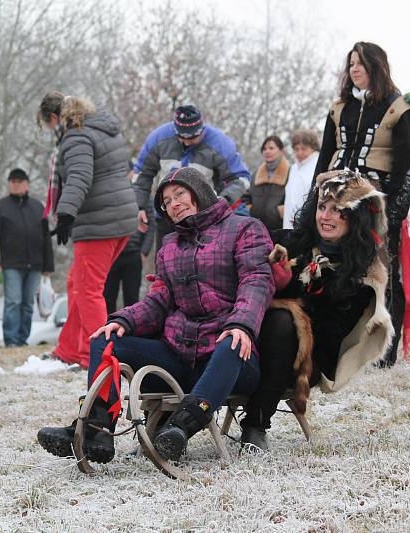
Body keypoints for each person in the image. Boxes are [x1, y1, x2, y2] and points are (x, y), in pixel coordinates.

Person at [37, 167, 274, 463]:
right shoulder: (169, 246)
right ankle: (97, 430)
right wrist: (123, 320)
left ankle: (179, 429)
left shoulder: (244, 228)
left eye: (179, 195)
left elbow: (256, 280)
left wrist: (241, 324)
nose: (173, 204)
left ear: (199, 192)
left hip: (230, 361)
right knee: (106, 337)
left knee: (231, 342)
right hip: (179, 358)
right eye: (166, 201)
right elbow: (159, 301)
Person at [240, 169, 393, 451]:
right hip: (252, 341)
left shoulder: (362, 271)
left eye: (338, 211)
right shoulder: (291, 241)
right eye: (322, 207)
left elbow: (332, 333)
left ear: (355, 217)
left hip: (307, 359)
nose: (326, 216)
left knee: (283, 321)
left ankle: (255, 425)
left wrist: (291, 288)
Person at [314, 42, 410, 367]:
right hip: (334, 201)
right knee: (329, 268)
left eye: (360, 63)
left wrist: (393, 213)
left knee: (381, 274)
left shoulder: (398, 107)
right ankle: (334, 350)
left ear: (376, 66)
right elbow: (324, 156)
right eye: (350, 64)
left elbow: (409, 164)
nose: (354, 70)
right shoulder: (339, 108)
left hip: (376, 206)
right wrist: (312, 205)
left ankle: (383, 352)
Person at [37, 92, 138, 368]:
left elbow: (80, 176)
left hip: (98, 223)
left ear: (56, 118)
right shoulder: (102, 129)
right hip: (121, 219)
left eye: (48, 125)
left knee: (88, 290)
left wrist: (66, 213)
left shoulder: (77, 136)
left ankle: (99, 357)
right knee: (77, 284)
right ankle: (70, 350)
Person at [133, 105, 251, 251]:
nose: (188, 142)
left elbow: (242, 179)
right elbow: (142, 174)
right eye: (183, 137)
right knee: (164, 265)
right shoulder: (158, 138)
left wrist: (221, 202)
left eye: (194, 137)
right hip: (168, 218)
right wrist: (139, 206)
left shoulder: (221, 143)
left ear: (202, 128)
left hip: (204, 219)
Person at [0, 168, 54, 346]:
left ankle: (23, 339)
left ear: (27, 184)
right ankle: (11, 340)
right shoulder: (0, 207)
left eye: (19, 181)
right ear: (9, 184)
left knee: (28, 304)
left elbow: (46, 238)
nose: (16, 185)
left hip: (35, 266)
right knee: (13, 302)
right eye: (12, 181)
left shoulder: (38, 207)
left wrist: (48, 267)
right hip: (11, 265)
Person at [250, 135, 289, 231]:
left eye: (271, 148)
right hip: (256, 228)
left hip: (280, 229)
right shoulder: (256, 173)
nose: (267, 151)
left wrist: (280, 212)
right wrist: (251, 210)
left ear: (281, 151)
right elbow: (246, 197)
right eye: (264, 149)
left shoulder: (291, 172)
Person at [282, 129, 320, 229]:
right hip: (289, 221)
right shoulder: (294, 168)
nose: (299, 153)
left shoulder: (318, 165)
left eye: (303, 149)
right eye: (296, 149)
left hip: (307, 221)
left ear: (313, 147)